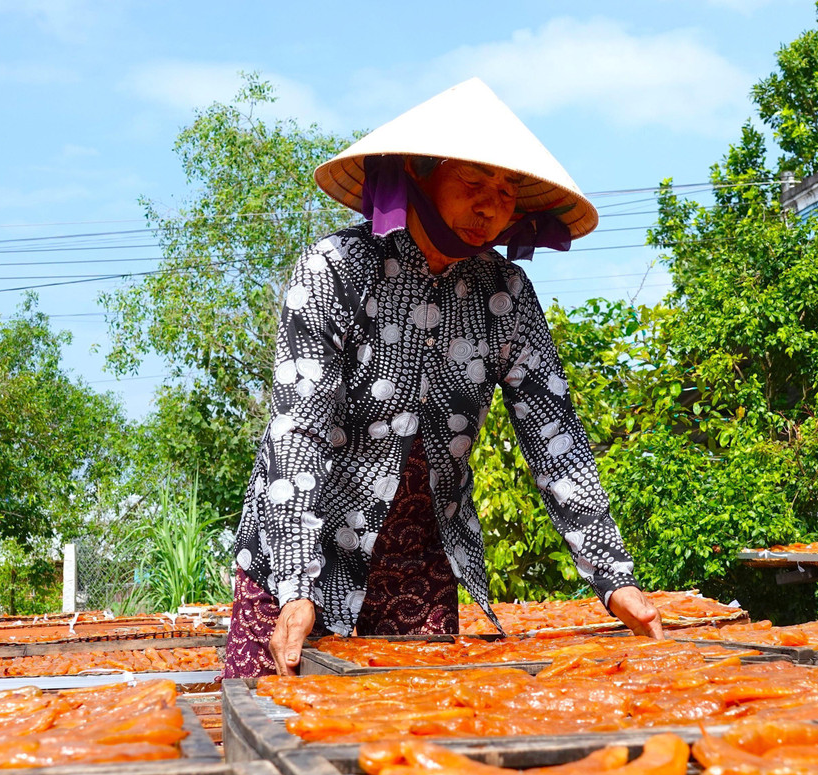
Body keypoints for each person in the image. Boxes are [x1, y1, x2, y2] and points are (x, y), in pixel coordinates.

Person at [225, 78, 660, 678]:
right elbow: (298, 434)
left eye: (507, 193)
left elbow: (556, 441)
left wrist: (614, 580)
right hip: (303, 542)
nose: (491, 206)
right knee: (276, 729)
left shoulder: (505, 293)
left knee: (417, 740)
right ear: (419, 175)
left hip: (420, 558)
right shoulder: (334, 270)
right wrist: (297, 583)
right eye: (473, 183)